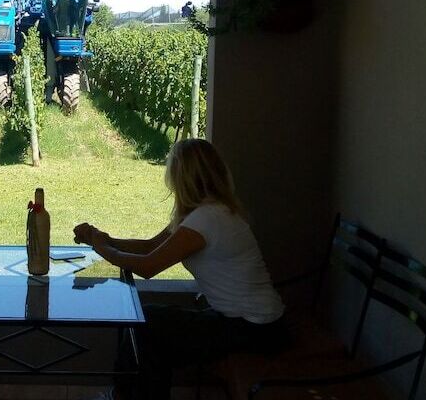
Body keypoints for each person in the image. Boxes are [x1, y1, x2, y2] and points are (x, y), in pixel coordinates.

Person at [73, 139, 287, 400]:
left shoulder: (206, 219)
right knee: (147, 323)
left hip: (254, 330)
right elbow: (151, 246)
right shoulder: (208, 212)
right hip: (253, 323)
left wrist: (101, 247)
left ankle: (125, 395)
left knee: (147, 328)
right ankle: (125, 394)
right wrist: (103, 239)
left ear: (182, 178)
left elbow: (148, 266)